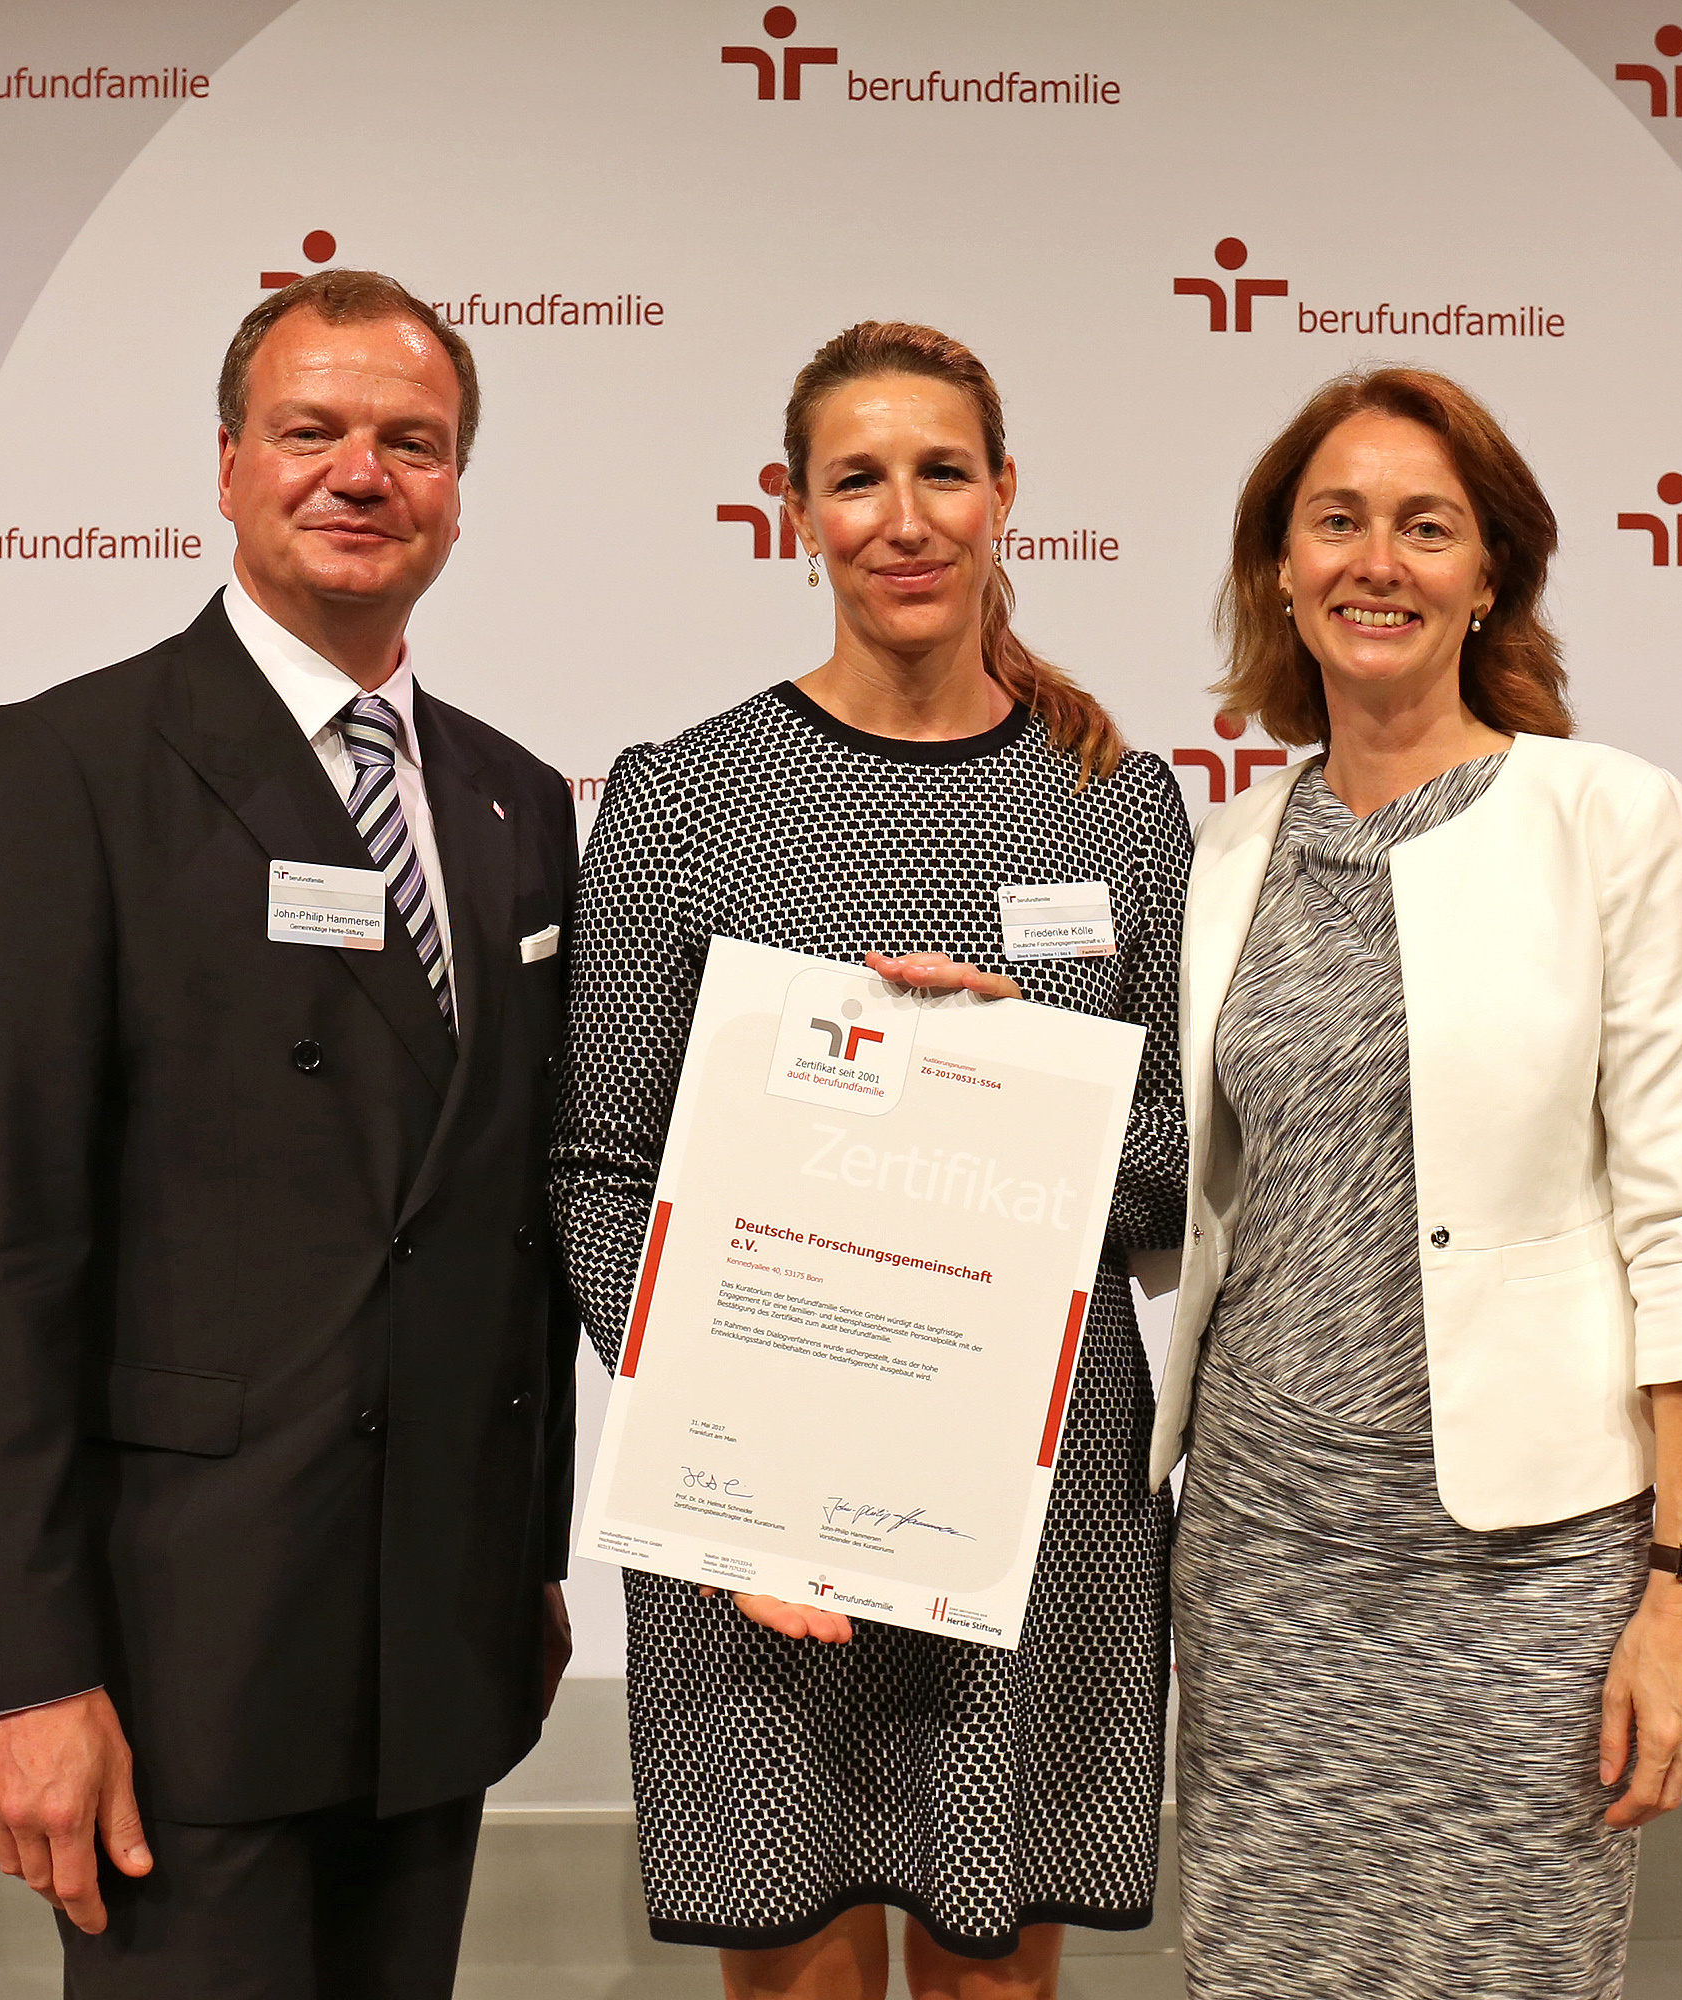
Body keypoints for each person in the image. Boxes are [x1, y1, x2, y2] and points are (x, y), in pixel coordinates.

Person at [0, 269, 579, 1997]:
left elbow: (513, 1208)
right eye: (313, 431)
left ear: (457, 490)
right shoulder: (60, 773)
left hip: (432, 1640)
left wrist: (523, 1565)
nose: (362, 473)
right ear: (225, 463)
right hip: (176, 1661)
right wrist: (24, 1673)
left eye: (411, 442)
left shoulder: (511, 804)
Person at [550, 321, 1190, 2000]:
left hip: (1034, 1495)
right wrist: (736, 1463)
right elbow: (600, 1175)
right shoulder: (684, 800)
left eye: (941, 473)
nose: (903, 519)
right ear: (795, 511)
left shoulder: (1115, 808)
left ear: (1003, 499)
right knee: (794, 1975)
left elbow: (1181, 1170)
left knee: (997, 1977)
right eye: (858, 479)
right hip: (757, 1520)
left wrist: (1012, 1079)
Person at [1155, 365, 1682, 1998]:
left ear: (1493, 574)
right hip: (1270, 1557)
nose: (1377, 562)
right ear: (1278, 563)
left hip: (1527, 1560)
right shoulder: (1223, 859)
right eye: (1335, 520)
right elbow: (1173, 1197)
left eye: (1428, 526)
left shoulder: (1609, 819)